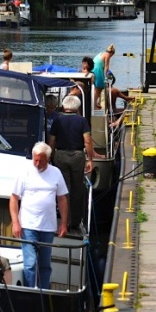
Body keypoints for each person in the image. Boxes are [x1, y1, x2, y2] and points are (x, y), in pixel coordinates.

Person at [9, 142, 69, 289]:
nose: (36, 163)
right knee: (30, 263)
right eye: (34, 159)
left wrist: (64, 223)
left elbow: (62, 198)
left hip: (48, 226)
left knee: (45, 264)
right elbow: (14, 198)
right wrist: (15, 222)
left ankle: (44, 292)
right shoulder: (25, 172)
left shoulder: (56, 173)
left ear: (48, 159)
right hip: (28, 225)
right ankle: (31, 292)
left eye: (40, 160)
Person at [48, 94, 96, 232]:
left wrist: (51, 157)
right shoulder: (82, 121)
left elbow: (52, 141)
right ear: (77, 107)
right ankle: (75, 220)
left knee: (64, 189)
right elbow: (87, 140)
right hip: (77, 155)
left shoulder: (57, 120)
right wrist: (90, 159)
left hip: (60, 155)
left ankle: (65, 221)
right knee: (77, 188)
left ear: (63, 106)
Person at [93, 45, 133, 110]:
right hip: (98, 71)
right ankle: (94, 104)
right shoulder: (108, 55)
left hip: (94, 70)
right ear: (112, 53)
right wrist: (106, 77)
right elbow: (106, 66)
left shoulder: (101, 53)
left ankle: (97, 103)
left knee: (96, 89)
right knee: (99, 89)